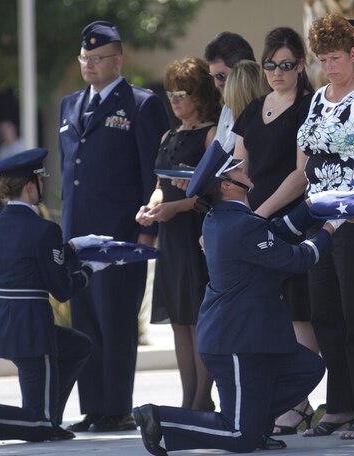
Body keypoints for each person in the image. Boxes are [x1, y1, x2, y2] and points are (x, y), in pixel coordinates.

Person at [132, 141, 339, 455]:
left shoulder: (229, 218)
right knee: (239, 436)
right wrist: (332, 226)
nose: (244, 167)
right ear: (228, 185)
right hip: (237, 342)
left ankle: (256, 426)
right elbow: (298, 259)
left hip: (250, 336)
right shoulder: (238, 225)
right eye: (236, 168)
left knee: (307, 368)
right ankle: (160, 419)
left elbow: (274, 231)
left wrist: (311, 206)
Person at [0, 148, 108, 447]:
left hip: (1, 322)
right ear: (31, 185)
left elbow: (24, 262)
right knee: (38, 421)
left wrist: (70, 248)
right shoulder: (44, 229)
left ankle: (49, 420)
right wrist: (88, 268)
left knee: (77, 346)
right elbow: (61, 289)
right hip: (32, 329)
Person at [58, 20, 170, 432]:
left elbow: (152, 174)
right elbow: (72, 172)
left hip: (120, 237)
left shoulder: (141, 104)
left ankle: (118, 406)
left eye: (97, 57)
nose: (89, 64)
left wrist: (147, 233)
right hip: (78, 239)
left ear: (117, 60)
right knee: (85, 322)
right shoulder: (70, 105)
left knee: (117, 322)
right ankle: (95, 408)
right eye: (84, 57)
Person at [296, 13, 354, 441]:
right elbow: (304, 162)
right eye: (322, 58)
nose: (330, 65)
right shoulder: (318, 98)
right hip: (319, 220)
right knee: (326, 316)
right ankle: (340, 405)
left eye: (336, 57)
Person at [231, 27, 315, 435]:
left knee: (297, 313)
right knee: (266, 312)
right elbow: (237, 169)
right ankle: (273, 398)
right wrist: (236, 215)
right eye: (270, 65)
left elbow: (301, 174)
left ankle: (298, 404)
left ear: (300, 66)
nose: (277, 73)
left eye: (286, 65)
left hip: (290, 220)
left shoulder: (306, 106)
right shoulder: (252, 109)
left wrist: (260, 214)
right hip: (253, 219)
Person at [135, 57, 220, 411]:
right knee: (179, 323)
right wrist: (151, 207)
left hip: (195, 234)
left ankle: (202, 399)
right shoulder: (168, 135)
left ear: (199, 94)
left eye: (181, 93)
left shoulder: (210, 133)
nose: (174, 100)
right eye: (170, 93)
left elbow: (211, 190)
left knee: (200, 321)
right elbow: (160, 183)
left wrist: (174, 208)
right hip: (170, 235)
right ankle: (189, 399)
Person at [203, 32, 256, 153]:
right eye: (214, 77)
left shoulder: (264, 110)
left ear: (243, 71)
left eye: (221, 76)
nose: (216, 84)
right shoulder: (227, 109)